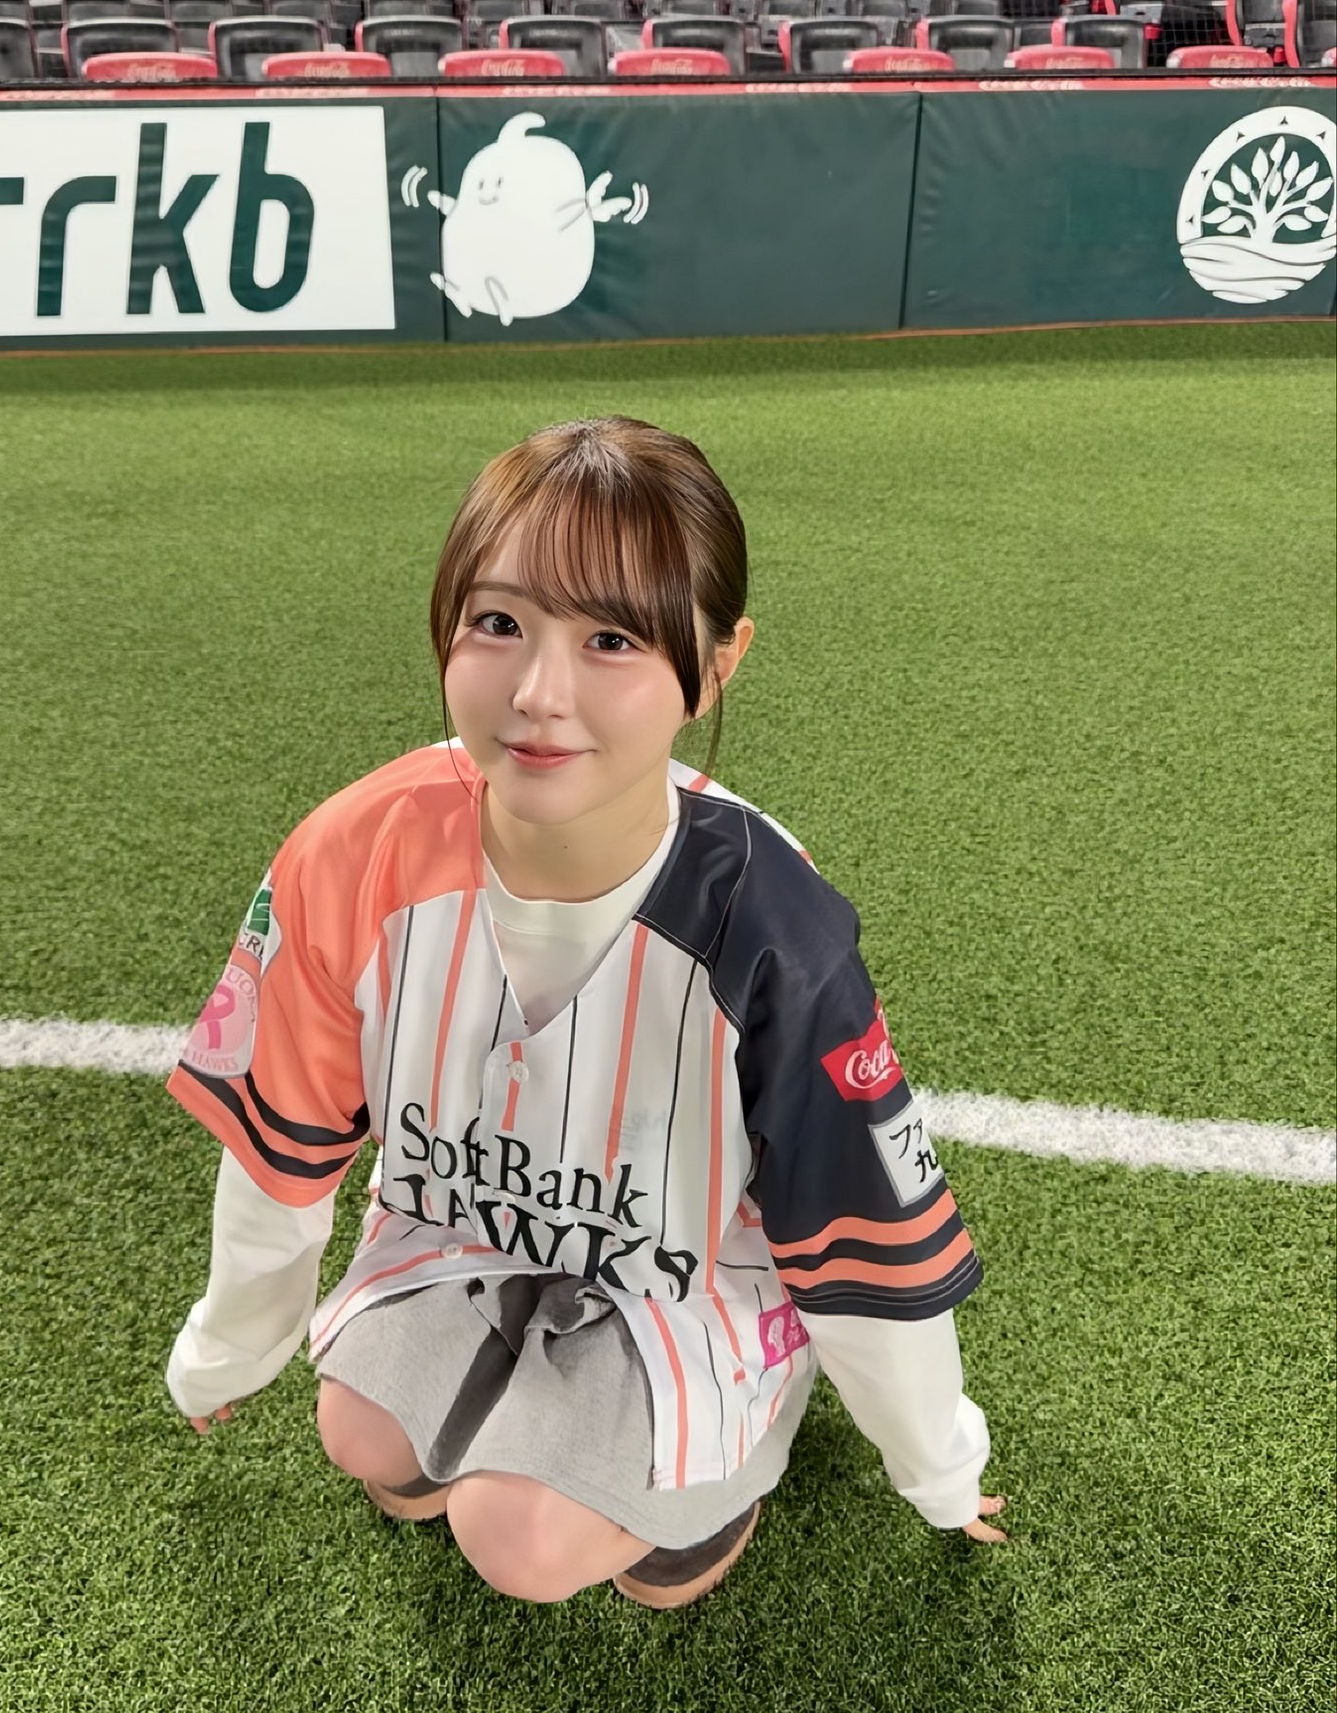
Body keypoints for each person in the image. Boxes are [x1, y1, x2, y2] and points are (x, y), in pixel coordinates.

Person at [164, 416, 1008, 1610]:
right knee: (365, 1434)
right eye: (498, 622)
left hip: (688, 1276)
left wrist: (938, 1464)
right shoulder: (354, 852)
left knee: (525, 1541)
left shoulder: (773, 924)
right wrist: (226, 1348)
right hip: (467, 1225)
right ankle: (546, 1413)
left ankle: (743, 1424)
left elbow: (861, 1230)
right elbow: (279, 1153)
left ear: (716, 662)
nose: (538, 694)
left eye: (610, 638)